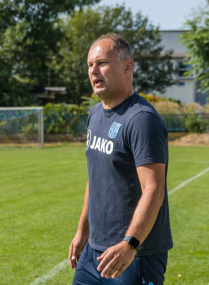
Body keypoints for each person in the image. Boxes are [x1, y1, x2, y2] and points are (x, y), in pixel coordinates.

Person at [68, 33, 173, 284]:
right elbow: (95, 178)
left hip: (134, 255)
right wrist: (83, 232)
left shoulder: (141, 119)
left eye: (102, 63)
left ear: (128, 67)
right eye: (90, 65)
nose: (94, 71)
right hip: (94, 253)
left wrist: (130, 244)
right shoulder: (95, 114)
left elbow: (153, 189)